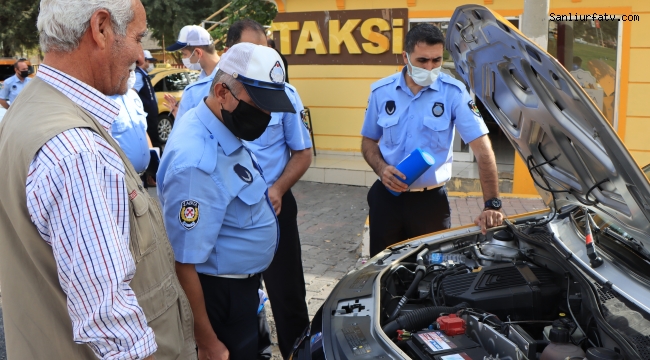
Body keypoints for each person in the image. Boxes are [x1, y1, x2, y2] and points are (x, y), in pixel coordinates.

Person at [0, 0, 196, 359]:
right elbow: (111, 321)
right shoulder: (76, 150)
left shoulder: (31, 107)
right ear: (101, 28)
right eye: (138, 37)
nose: (141, 56)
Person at [157, 42, 295, 360]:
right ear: (222, 92)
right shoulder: (196, 161)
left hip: (242, 290)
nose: (267, 115)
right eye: (259, 105)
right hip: (219, 298)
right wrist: (207, 341)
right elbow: (183, 261)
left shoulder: (218, 124)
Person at [361, 23, 504, 257]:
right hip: (386, 199)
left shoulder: (454, 93)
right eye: (422, 61)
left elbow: (483, 150)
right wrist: (381, 169)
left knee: (432, 273)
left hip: (430, 205)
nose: (430, 67)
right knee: (384, 270)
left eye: (436, 60)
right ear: (405, 57)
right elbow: (368, 142)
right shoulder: (381, 92)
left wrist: (492, 204)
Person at [226, 19, 312, 359]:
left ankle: (298, 353)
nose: (262, 58)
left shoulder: (285, 94)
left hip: (273, 207)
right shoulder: (205, 94)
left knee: (289, 296)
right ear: (231, 52)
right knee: (236, 298)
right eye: (252, 50)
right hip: (229, 214)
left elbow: (302, 153)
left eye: (266, 49)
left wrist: (277, 189)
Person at [163, 25, 220, 121]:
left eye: (184, 54)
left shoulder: (229, 77)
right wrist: (182, 116)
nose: (183, 58)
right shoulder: (201, 80)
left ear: (198, 52)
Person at [109, 69, 152, 174]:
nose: (132, 73)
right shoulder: (104, 100)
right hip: (121, 178)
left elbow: (143, 130)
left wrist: (152, 163)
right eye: (128, 68)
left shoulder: (133, 96)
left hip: (142, 176)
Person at [134, 50, 161, 146]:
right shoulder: (138, 75)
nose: (150, 64)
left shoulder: (144, 75)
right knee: (153, 141)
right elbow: (133, 94)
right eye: (148, 61)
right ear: (142, 61)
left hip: (150, 116)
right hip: (147, 117)